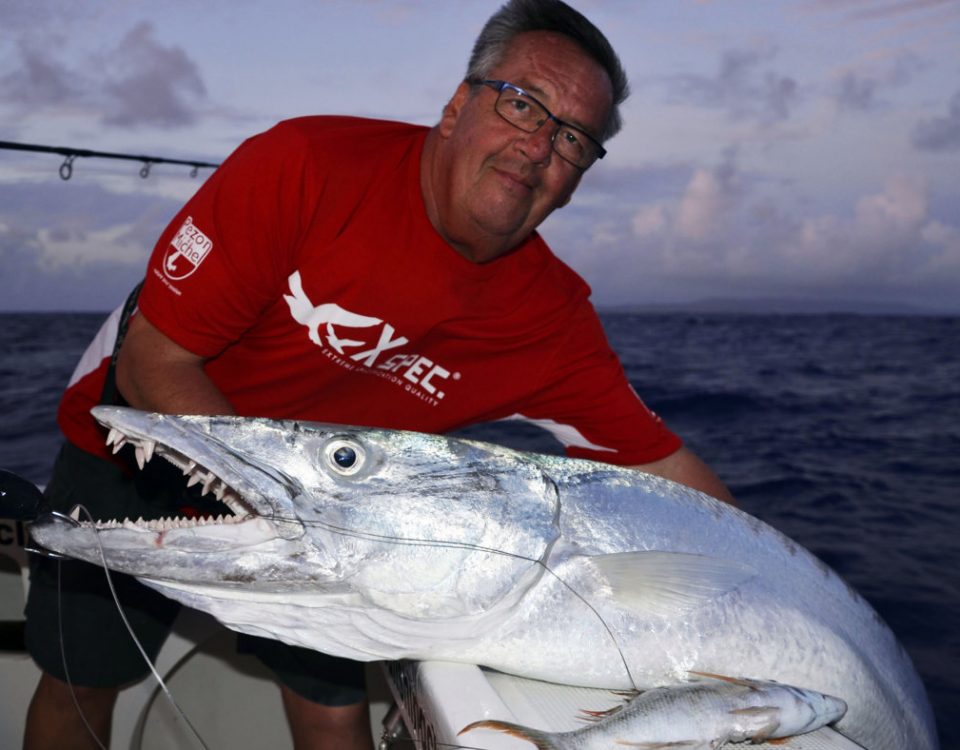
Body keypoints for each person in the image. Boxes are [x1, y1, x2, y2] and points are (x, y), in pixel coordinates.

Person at [23, 0, 735, 748]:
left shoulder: (550, 323)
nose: (539, 145)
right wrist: (288, 520)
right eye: (522, 105)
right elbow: (154, 360)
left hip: (325, 509)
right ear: (458, 105)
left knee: (334, 709)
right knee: (82, 680)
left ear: (578, 176)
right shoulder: (303, 166)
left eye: (571, 138)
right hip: (143, 436)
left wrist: (788, 595)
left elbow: (661, 466)